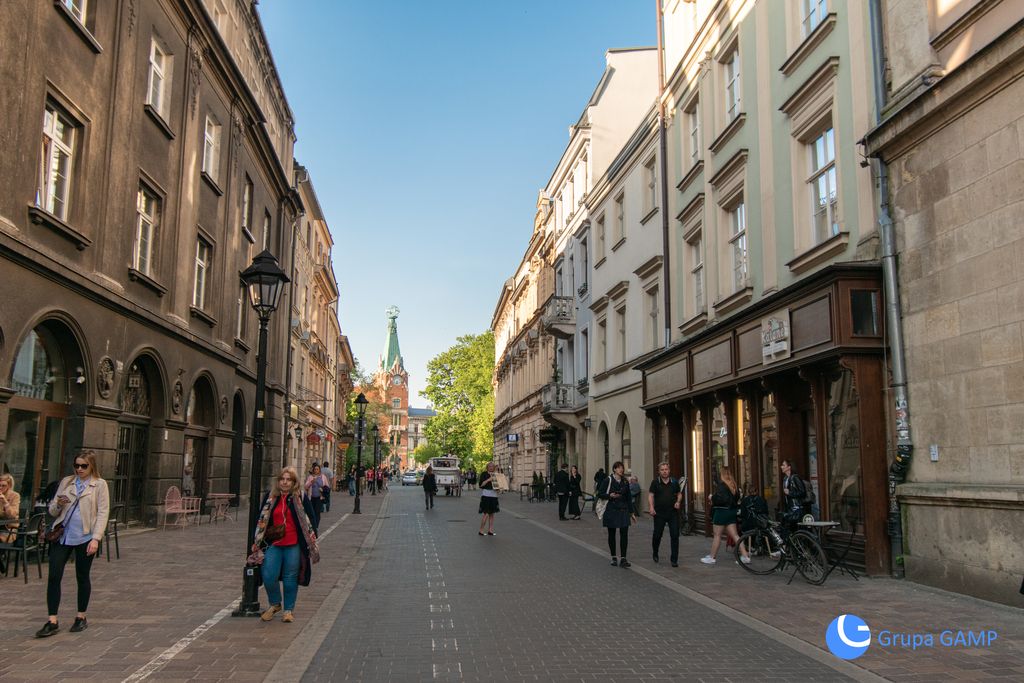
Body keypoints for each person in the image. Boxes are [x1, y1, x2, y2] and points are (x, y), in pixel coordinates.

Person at [36, 450, 110, 638]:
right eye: (76, 465)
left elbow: (103, 512)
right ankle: (52, 620)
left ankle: (81, 616)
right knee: (54, 575)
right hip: (63, 535)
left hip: (85, 537)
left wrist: (96, 538)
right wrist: (58, 504)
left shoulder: (99, 485)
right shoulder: (66, 482)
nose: (79, 469)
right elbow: (53, 511)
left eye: (83, 466)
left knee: (82, 576)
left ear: (91, 466)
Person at [253, 466, 318, 624]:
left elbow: (312, 518)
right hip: (274, 543)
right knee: (268, 575)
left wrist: (311, 539)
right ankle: (275, 603)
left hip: (294, 544)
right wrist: (256, 542)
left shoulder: (300, 497)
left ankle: (288, 610)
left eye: (288, 479)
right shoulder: (270, 497)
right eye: (282, 479)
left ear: (294, 482)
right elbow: (260, 520)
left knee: (290, 578)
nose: (285, 482)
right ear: (278, 481)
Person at [701, 468, 750, 566]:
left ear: (722, 475)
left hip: (721, 512)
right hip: (731, 512)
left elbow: (720, 499)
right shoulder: (733, 485)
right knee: (735, 535)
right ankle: (745, 556)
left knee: (717, 535)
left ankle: (712, 557)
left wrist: (712, 497)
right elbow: (735, 499)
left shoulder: (722, 485)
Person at [599, 461, 635, 568]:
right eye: (619, 468)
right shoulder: (608, 480)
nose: (621, 470)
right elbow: (600, 493)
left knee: (624, 533)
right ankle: (614, 557)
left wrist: (631, 512)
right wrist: (610, 496)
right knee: (612, 534)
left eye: (622, 468)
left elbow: (628, 498)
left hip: (623, 510)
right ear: (614, 469)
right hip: (611, 510)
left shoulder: (625, 481)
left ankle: (623, 558)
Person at [648, 462, 683, 567]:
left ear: (669, 470)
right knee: (657, 535)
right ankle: (655, 552)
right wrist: (651, 507)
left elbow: (679, 494)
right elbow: (651, 495)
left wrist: (678, 502)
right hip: (659, 513)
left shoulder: (674, 482)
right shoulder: (655, 482)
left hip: (672, 513)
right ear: (659, 471)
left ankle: (674, 559)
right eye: (662, 470)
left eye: (666, 469)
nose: (664, 471)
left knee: (675, 535)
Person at [780, 459, 810, 523]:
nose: (781, 467)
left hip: (797, 509)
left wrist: (790, 493)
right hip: (790, 509)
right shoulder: (785, 479)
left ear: (789, 467)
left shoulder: (795, 478)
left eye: (783, 465)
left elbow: (803, 493)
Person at [303, 464, 327, 533]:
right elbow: (306, 487)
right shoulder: (310, 477)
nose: (316, 470)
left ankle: (316, 526)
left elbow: (327, 487)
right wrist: (311, 482)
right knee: (311, 512)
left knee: (317, 512)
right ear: (313, 470)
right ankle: (312, 525)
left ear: (319, 470)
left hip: (319, 498)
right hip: (311, 497)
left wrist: (323, 489)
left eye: (317, 469)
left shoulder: (323, 477)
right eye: (315, 469)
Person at [478, 462, 499, 536]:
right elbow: (481, 485)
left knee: (492, 514)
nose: (491, 467)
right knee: (486, 514)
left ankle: (490, 530)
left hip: (494, 496)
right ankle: (481, 530)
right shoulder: (484, 474)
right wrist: (488, 480)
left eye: (492, 466)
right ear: (487, 467)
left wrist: (500, 488)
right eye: (489, 466)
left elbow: (498, 486)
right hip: (486, 496)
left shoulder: (496, 475)